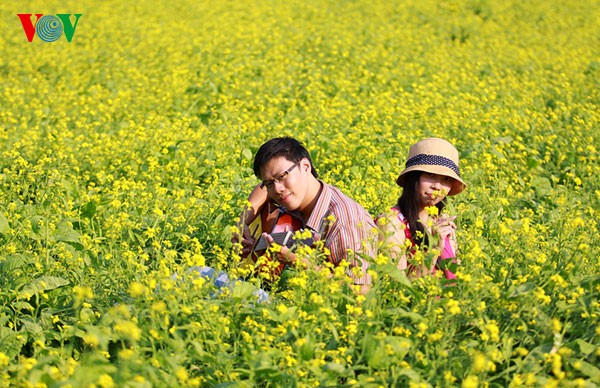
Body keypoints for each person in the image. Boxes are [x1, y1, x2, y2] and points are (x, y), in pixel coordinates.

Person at [234, 137, 376, 292]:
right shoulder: (293, 195)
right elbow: (261, 189)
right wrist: (242, 224)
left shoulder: (344, 221)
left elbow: (361, 292)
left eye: (282, 177)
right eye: (270, 183)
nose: (278, 189)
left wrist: (300, 263)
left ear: (306, 166)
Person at [377, 138, 466, 279]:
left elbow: (456, 275)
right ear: (413, 178)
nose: (437, 186)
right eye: (430, 175)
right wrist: (435, 247)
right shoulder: (392, 222)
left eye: (446, 179)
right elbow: (398, 286)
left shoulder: (442, 223)